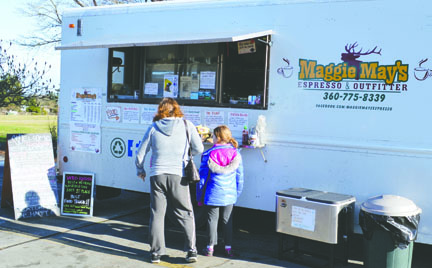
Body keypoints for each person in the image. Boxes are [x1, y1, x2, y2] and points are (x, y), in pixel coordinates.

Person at [135, 97, 204, 264]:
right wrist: (188, 155)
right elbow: (199, 148)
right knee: (185, 212)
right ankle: (191, 251)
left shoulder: (153, 128)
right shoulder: (187, 125)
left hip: (157, 175)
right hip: (178, 175)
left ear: (160, 110)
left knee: (157, 214)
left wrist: (140, 169)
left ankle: (156, 253)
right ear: (177, 109)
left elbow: (140, 154)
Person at [196, 125, 244, 258]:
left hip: (213, 193)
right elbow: (240, 177)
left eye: (214, 136)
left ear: (218, 137)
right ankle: (228, 248)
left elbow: (202, 180)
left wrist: (199, 197)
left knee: (212, 220)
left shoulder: (208, 154)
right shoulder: (236, 154)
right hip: (230, 194)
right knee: (227, 220)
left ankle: (210, 248)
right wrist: (236, 193)